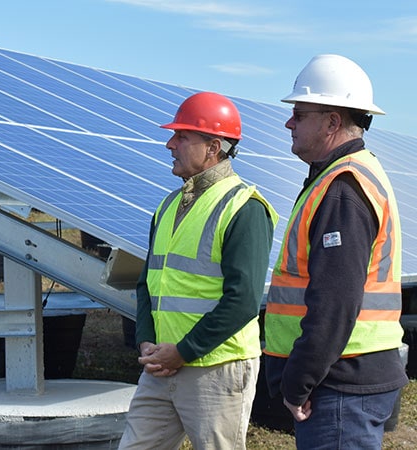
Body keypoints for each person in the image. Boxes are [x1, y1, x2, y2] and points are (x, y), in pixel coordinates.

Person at [118, 92, 278, 449]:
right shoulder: (168, 205)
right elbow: (148, 282)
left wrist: (184, 351)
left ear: (214, 147)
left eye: (182, 137)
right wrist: (146, 339)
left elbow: (243, 300)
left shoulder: (245, 208)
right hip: (160, 367)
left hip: (217, 369)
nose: (169, 144)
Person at [263, 54, 407, 449]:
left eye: (299, 113)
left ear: (332, 122)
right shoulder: (341, 177)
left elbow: (335, 300)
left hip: (340, 385)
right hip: (343, 380)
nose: (289, 122)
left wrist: (299, 381)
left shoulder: (343, 188)